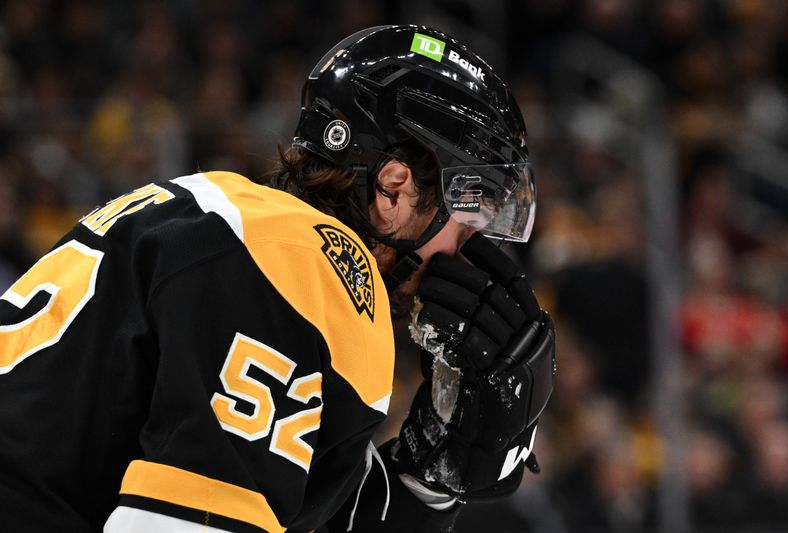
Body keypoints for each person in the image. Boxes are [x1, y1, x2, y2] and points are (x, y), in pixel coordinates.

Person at [0, 25, 555, 532]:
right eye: (471, 210)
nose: (471, 249)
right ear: (394, 187)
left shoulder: (240, 227)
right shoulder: (308, 267)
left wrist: (427, 478)